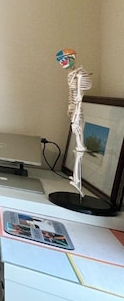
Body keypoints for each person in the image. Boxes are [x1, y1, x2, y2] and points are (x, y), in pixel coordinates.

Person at [55, 48, 92, 195]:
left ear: (72, 58)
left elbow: (81, 93)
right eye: (60, 61)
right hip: (73, 109)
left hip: (78, 110)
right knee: (78, 141)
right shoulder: (71, 74)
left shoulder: (80, 74)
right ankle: (77, 179)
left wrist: (76, 110)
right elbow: (72, 93)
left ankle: (78, 182)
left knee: (79, 142)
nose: (62, 63)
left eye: (63, 59)